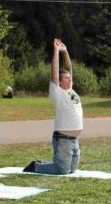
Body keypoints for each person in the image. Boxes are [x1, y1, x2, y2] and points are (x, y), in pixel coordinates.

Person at [24, 38, 82, 175]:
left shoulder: (70, 90)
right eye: (67, 78)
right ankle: (36, 166)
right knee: (62, 170)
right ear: (60, 82)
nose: (70, 79)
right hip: (63, 140)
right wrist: (56, 51)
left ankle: (48, 164)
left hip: (74, 140)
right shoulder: (57, 92)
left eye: (69, 77)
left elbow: (68, 68)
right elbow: (55, 73)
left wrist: (65, 51)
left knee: (72, 170)